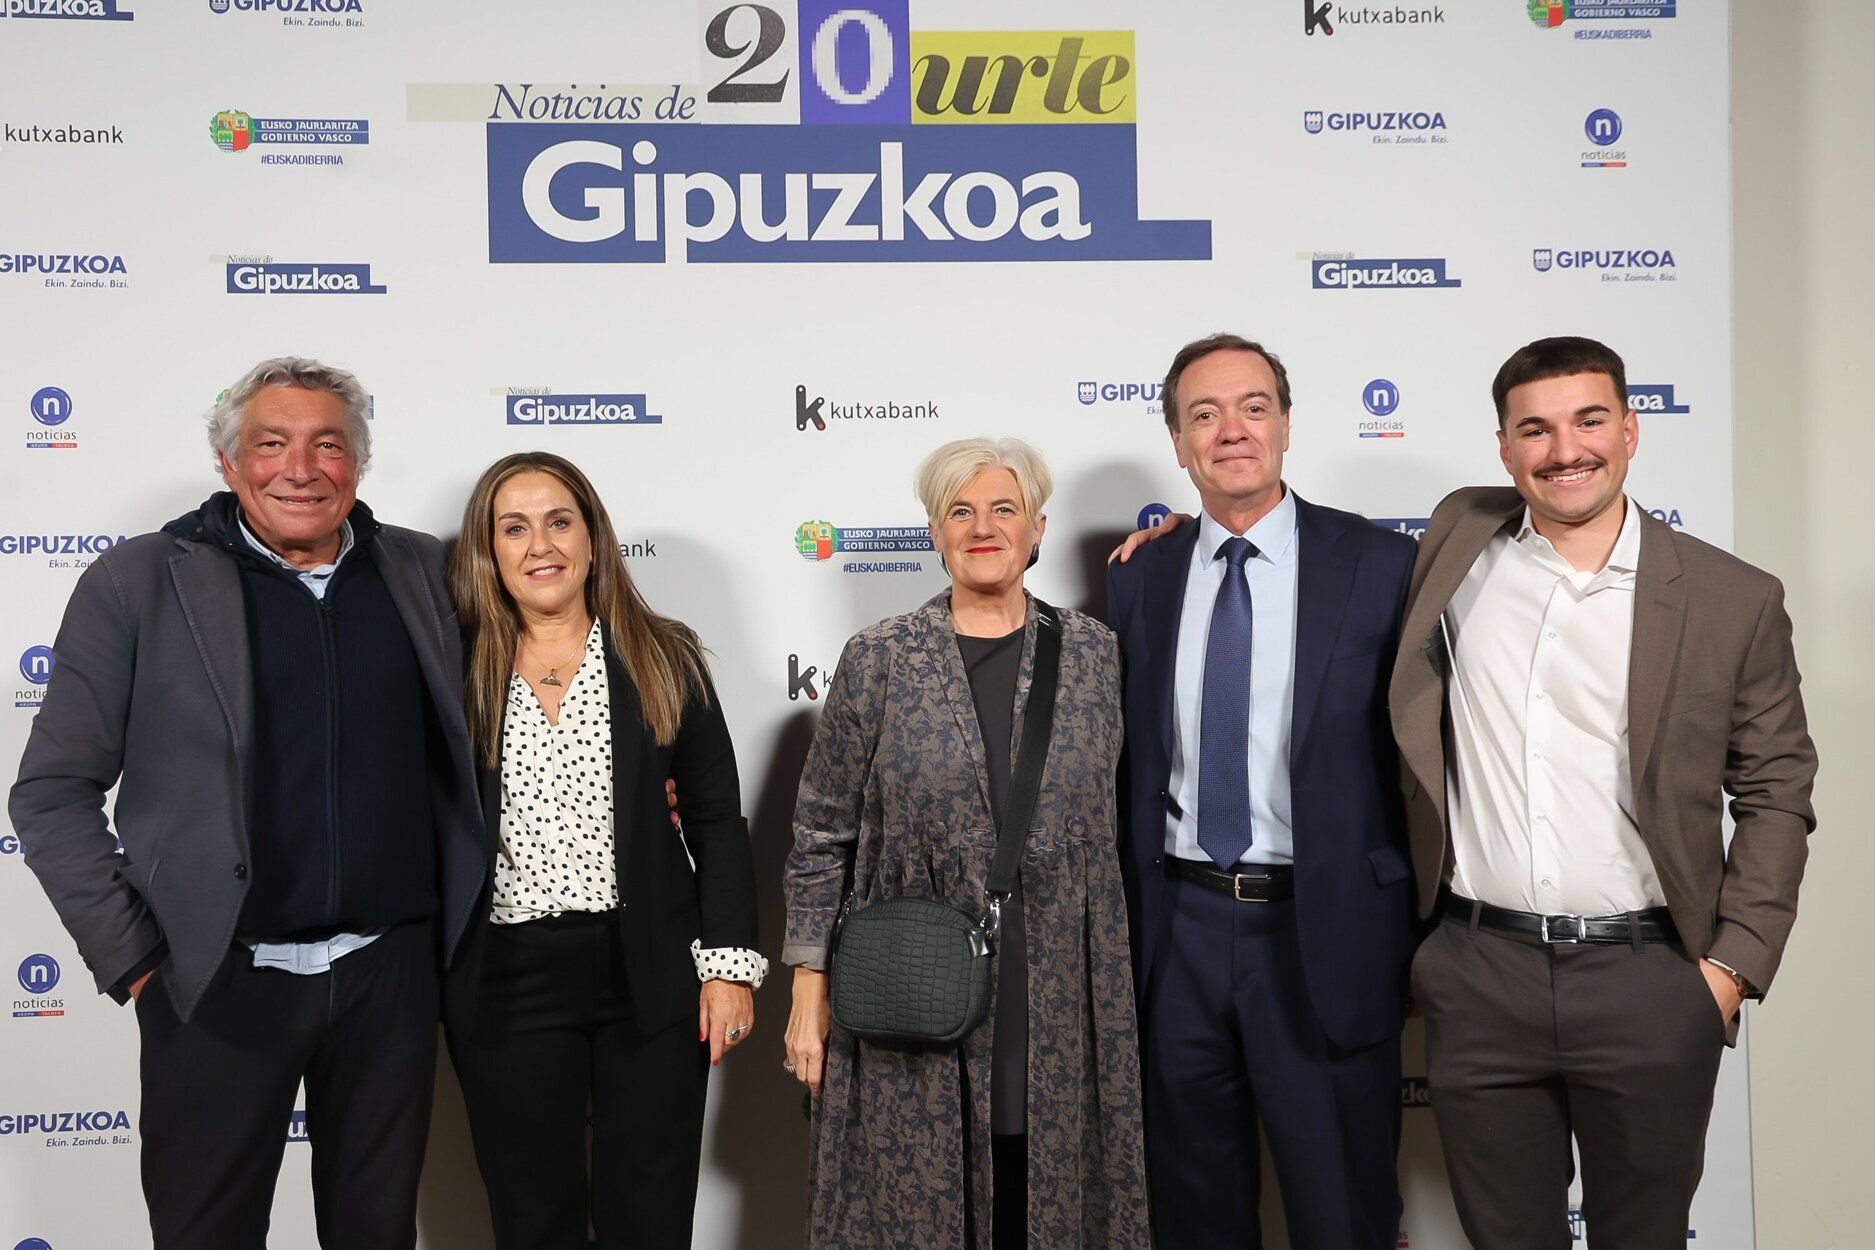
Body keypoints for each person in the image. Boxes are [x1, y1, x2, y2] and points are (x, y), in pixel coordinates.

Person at [9, 357, 485, 1249]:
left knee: (377, 1235)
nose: (299, 469)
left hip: (390, 978)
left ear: (359, 462)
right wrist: (140, 956)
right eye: (271, 445)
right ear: (229, 464)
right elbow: (50, 793)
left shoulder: (425, 572)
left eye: (327, 445)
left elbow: (520, 693)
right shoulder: (139, 581)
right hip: (217, 980)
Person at [1389, 335, 1816, 1247]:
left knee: (1644, 1237)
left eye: (1589, 421)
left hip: (1650, 979)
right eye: (1533, 430)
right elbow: (1324, 563)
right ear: (1503, 449)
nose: (1564, 449)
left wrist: (1728, 970)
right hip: (1478, 972)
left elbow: (1778, 788)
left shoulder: (1728, 597)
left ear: (1630, 430)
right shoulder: (1456, 539)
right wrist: (1189, 536)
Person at [782, 437, 1150, 1249]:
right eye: (960, 511)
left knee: (1045, 1195)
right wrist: (807, 996)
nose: (983, 528)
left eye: (1003, 509)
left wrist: (1183, 537)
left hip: (1059, 985)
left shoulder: (1094, 654)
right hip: (914, 986)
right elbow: (819, 831)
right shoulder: (877, 658)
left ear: (1038, 528)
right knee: (916, 1207)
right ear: (933, 533)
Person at [1106, 333, 1417, 1248]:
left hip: (1322, 934)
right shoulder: (1139, 577)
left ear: (1284, 424)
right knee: (1193, 1218)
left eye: (1250, 408)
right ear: (1177, 443)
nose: (1229, 430)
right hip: (1178, 934)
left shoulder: (1380, 566)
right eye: (1203, 414)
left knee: (1342, 1216)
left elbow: (1424, 760)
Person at [442, 451, 763, 1249]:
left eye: (559, 521)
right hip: (505, 977)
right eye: (513, 527)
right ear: (489, 549)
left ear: (592, 539)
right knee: (531, 1214)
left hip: (647, 969)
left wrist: (727, 969)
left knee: (648, 1213)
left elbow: (718, 821)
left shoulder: (663, 656)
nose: (538, 544)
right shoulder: (454, 667)